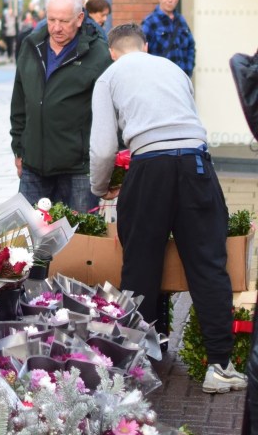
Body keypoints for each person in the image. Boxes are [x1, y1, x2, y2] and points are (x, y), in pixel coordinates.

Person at [89, 24, 245, 394]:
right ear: (144, 46)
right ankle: (220, 366)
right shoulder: (173, 68)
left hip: (150, 169)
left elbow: (103, 148)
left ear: (113, 52)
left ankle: (136, 367)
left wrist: (101, 188)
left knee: (140, 265)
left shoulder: (109, 77)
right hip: (196, 164)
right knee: (208, 265)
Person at [10, 0, 111, 212]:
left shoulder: (98, 54)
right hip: (33, 165)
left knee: (81, 240)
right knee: (25, 239)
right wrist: (19, 149)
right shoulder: (31, 46)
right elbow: (19, 102)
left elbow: (110, 113)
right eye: (51, 19)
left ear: (79, 18)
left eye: (64, 21)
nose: (56, 28)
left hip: (78, 169)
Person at [140, 0, 195, 77]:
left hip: (181, 79)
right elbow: (141, 51)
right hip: (159, 79)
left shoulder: (181, 21)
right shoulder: (150, 22)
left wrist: (188, 70)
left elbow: (191, 46)